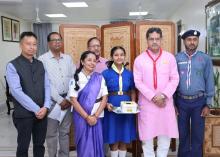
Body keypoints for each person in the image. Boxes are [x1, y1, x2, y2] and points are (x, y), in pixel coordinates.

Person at [133, 27, 179, 157]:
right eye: (151, 39)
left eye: (157, 39)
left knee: (165, 138)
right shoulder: (139, 59)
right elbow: (138, 81)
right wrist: (153, 97)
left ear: (161, 40)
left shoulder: (169, 58)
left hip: (165, 103)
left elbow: (174, 78)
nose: (154, 41)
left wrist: (163, 95)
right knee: (147, 139)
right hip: (147, 104)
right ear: (147, 40)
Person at [5, 31, 51, 157]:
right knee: (23, 147)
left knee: (39, 145)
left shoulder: (40, 64)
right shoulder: (12, 65)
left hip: (42, 112)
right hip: (24, 115)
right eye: (28, 44)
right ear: (21, 45)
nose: (32, 47)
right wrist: (37, 109)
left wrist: (46, 106)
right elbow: (16, 91)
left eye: (35, 44)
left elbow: (47, 86)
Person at [175, 29, 215, 157]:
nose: (192, 42)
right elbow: (172, 82)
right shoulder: (176, 58)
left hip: (199, 102)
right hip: (181, 102)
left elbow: (209, 80)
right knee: (183, 134)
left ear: (197, 41)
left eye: (195, 39)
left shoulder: (205, 58)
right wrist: (173, 104)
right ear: (184, 42)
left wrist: (208, 104)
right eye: (189, 39)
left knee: (198, 135)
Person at [38, 32, 76, 157]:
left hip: (68, 100)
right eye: (54, 40)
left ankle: (64, 155)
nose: (57, 42)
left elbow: (73, 78)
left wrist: (69, 97)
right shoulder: (42, 60)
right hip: (52, 101)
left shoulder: (68, 58)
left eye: (59, 39)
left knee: (65, 132)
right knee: (51, 133)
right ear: (48, 43)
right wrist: (60, 100)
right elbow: (45, 83)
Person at [69, 51, 108, 157]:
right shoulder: (75, 78)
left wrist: (95, 116)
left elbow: (105, 98)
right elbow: (73, 100)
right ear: (82, 62)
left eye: (94, 61)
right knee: (84, 144)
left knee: (97, 142)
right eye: (89, 60)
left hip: (97, 115)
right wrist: (87, 117)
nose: (92, 63)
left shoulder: (99, 77)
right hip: (81, 116)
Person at [102, 46, 137, 157]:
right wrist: (106, 103)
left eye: (121, 54)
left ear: (124, 56)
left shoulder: (129, 73)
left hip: (126, 108)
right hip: (111, 107)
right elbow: (102, 92)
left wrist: (133, 103)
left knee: (124, 136)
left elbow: (132, 90)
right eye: (116, 55)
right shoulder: (105, 73)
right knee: (113, 136)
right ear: (112, 57)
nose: (119, 57)